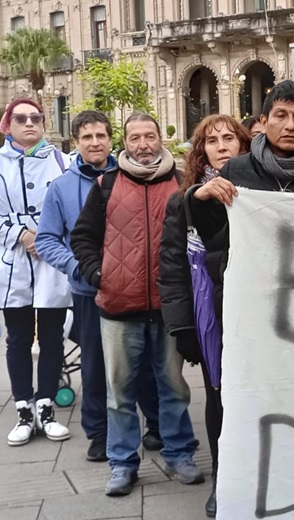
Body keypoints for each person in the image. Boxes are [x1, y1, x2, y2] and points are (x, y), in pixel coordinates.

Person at [71, 112, 202, 497]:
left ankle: (180, 453)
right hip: (118, 308)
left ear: (161, 139)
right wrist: (101, 274)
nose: (143, 144)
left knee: (174, 387)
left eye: (150, 136)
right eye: (135, 137)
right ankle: (123, 463)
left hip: (168, 308)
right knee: (119, 393)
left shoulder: (181, 184)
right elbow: (82, 238)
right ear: (124, 143)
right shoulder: (106, 185)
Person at [35, 110, 163, 461]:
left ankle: (155, 425)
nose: (95, 142)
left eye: (100, 136)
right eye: (87, 137)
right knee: (94, 365)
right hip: (89, 292)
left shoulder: (130, 176)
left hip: (138, 289)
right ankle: (98, 432)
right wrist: (80, 269)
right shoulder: (61, 187)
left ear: (111, 140)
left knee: (147, 361)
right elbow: (47, 240)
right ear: (76, 143)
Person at [158, 114, 251, 518]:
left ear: (243, 145)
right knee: (218, 398)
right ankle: (221, 479)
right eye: (212, 141)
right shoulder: (185, 200)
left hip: (254, 314)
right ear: (202, 152)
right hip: (211, 313)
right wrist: (182, 325)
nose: (222, 145)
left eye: (229, 138)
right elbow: (172, 264)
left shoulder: (259, 190)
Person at [0, 98, 72, 447]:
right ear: (7, 125)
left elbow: (73, 208)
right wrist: (21, 234)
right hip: (13, 266)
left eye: (36, 118)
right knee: (17, 339)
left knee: (52, 338)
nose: (29, 123)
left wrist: (47, 236)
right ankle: (23, 409)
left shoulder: (62, 162)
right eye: (21, 118)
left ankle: (46, 405)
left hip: (52, 263)